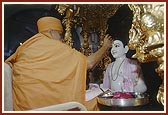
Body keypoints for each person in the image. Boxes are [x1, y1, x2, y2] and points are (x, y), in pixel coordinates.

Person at [5, 16, 112, 111]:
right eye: (60, 35)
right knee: (99, 103)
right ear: (51, 32)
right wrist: (105, 46)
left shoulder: (26, 47)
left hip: (24, 107)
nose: (62, 40)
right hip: (47, 107)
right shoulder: (53, 45)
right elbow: (89, 63)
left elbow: (49, 79)